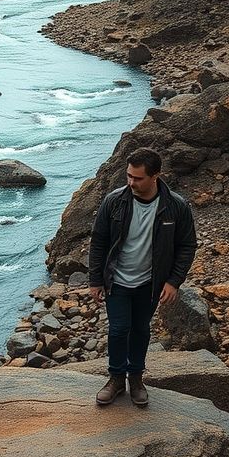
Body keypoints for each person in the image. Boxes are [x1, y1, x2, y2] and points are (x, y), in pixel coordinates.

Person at [88, 146, 197, 407]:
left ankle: (136, 379)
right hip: (117, 279)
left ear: (156, 176)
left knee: (140, 330)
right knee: (118, 330)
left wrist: (173, 281)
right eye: (128, 176)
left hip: (150, 283)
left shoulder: (176, 206)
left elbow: (187, 245)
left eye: (137, 178)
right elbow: (99, 241)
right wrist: (95, 279)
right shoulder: (114, 201)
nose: (131, 182)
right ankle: (115, 379)